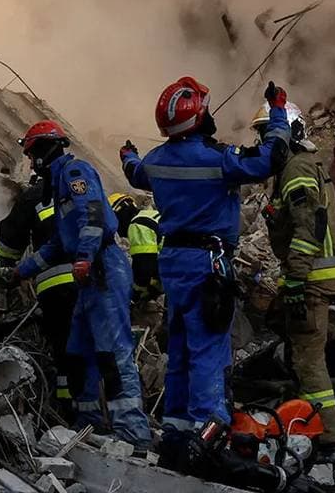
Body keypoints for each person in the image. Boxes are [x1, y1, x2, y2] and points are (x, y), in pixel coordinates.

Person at [121, 76, 289, 469]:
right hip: (208, 264)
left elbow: (134, 172)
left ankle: (177, 440)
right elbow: (271, 158)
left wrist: (127, 153)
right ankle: (209, 441)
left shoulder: (156, 161)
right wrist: (278, 110)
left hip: (174, 264)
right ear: (200, 116)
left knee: (179, 351)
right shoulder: (218, 159)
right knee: (209, 351)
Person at [13, 120, 153, 445]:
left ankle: (133, 435)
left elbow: (94, 216)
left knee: (112, 353)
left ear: (48, 149)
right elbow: (56, 246)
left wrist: (85, 257)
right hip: (89, 277)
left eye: (34, 154)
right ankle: (89, 427)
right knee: (78, 353)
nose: (33, 163)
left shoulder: (75, 173)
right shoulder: (58, 188)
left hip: (103, 267)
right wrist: (21, 272)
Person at [259, 82, 335, 457]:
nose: (267, 142)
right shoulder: (300, 165)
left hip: (311, 277)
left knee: (307, 358)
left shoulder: (295, 167)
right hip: (321, 273)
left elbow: (306, 228)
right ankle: (308, 414)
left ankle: (328, 436)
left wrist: (294, 279)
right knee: (299, 339)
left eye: (270, 133)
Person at [0, 170, 80, 410]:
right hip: (91, 280)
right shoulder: (80, 190)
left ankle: (66, 407)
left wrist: (5, 268)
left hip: (55, 286)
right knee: (91, 346)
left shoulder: (34, 196)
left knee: (62, 349)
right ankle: (94, 411)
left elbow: (9, 242)